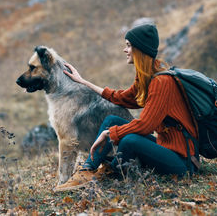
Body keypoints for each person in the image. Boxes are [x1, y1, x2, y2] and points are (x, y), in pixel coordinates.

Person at [54, 23, 198, 192]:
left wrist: (110, 133)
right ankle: (88, 171)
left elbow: (145, 126)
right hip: (165, 147)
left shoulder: (162, 82)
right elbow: (121, 98)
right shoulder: (147, 77)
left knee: (130, 139)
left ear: (140, 49)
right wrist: (83, 82)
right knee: (112, 120)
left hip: (183, 162)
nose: (125, 50)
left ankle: (111, 171)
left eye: (129, 45)